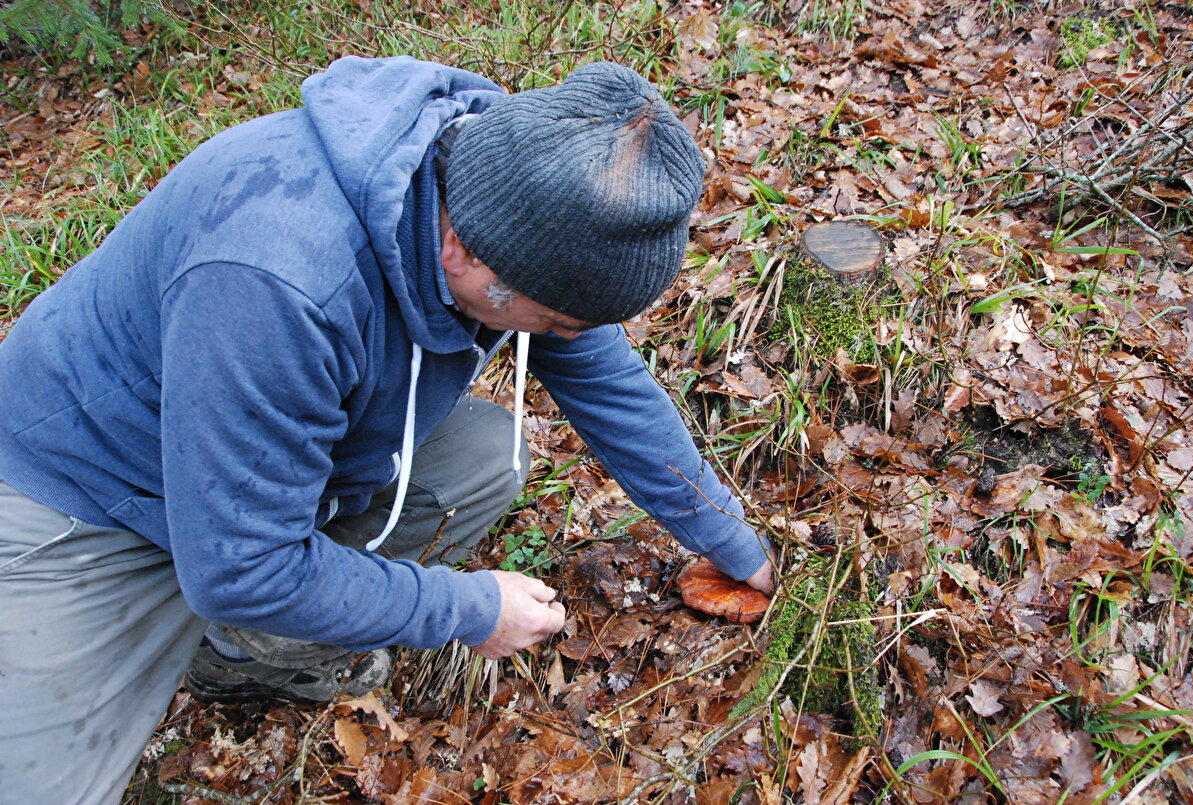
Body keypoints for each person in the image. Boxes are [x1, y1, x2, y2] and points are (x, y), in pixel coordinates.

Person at [0, 56, 774, 803]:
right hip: (85, 495)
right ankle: (237, 619)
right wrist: (467, 610)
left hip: (254, 467)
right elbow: (239, 564)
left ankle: (247, 656)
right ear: (463, 254)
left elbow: (608, 383)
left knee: (478, 457)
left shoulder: (513, 192)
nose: (571, 339)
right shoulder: (279, 278)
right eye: (559, 323)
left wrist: (732, 541)